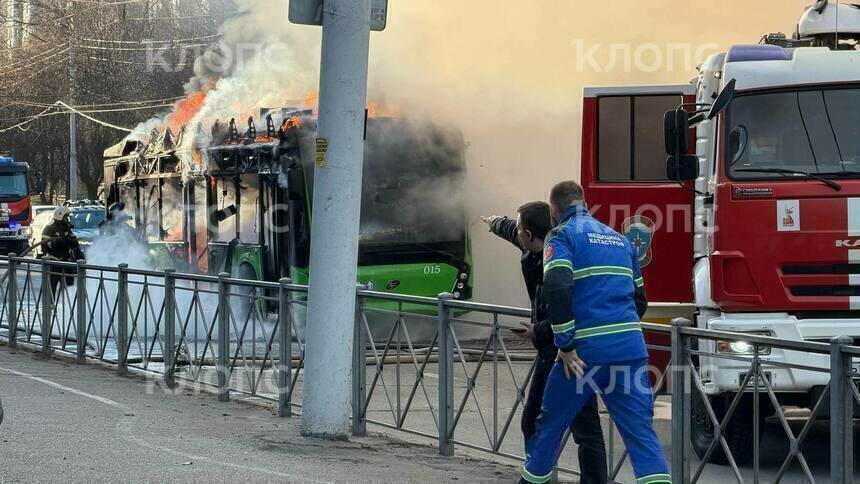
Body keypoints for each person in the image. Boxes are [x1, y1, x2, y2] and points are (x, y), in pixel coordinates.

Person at [520, 181, 669, 484]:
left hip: (583, 354)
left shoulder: (561, 236)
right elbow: (640, 300)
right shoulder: (621, 241)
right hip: (629, 350)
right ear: (583, 202)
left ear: (554, 210)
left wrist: (566, 344)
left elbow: (557, 287)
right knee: (641, 435)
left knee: (550, 426)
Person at [483, 202, 607, 484]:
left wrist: (538, 330)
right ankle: (541, 477)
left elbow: (575, 311)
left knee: (584, 428)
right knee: (536, 421)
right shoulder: (534, 245)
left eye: (519, 229)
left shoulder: (566, 258)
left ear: (529, 234)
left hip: (573, 352)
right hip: (551, 352)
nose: (517, 234)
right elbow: (512, 230)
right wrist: (494, 222)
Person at [41, 206, 84, 294]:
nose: (67, 219)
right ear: (60, 216)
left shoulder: (67, 229)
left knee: (69, 288)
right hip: (53, 263)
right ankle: (50, 302)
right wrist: (59, 241)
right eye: (66, 217)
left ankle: (68, 302)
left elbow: (74, 244)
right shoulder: (49, 229)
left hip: (66, 262)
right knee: (51, 287)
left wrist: (71, 242)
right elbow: (45, 245)